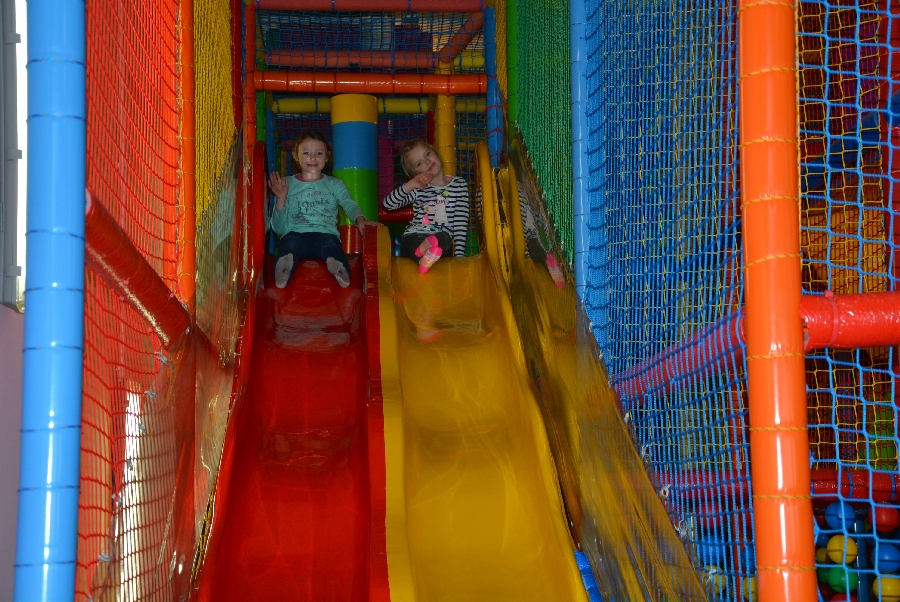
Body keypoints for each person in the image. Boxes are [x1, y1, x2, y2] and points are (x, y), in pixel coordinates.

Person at [268, 130, 378, 289]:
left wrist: (360, 219)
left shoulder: (335, 184)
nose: (313, 158)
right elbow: (278, 228)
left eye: (319, 153)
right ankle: (284, 267)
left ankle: (337, 266)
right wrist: (280, 199)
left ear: (327, 156)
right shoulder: (286, 184)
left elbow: (349, 203)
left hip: (325, 233)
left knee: (330, 245)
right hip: (294, 233)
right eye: (306, 153)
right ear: (295, 155)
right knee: (290, 244)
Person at [382, 139, 470, 273]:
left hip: (440, 241)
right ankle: (423, 256)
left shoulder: (459, 185)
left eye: (427, 154)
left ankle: (427, 254)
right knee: (416, 241)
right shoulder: (419, 188)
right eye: (419, 163)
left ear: (436, 152)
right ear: (416, 174)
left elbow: (460, 221)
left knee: (445, 239)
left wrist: (459, 256)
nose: (427, 161)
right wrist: (411, 185)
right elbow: (388, 204)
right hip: (414, 235)